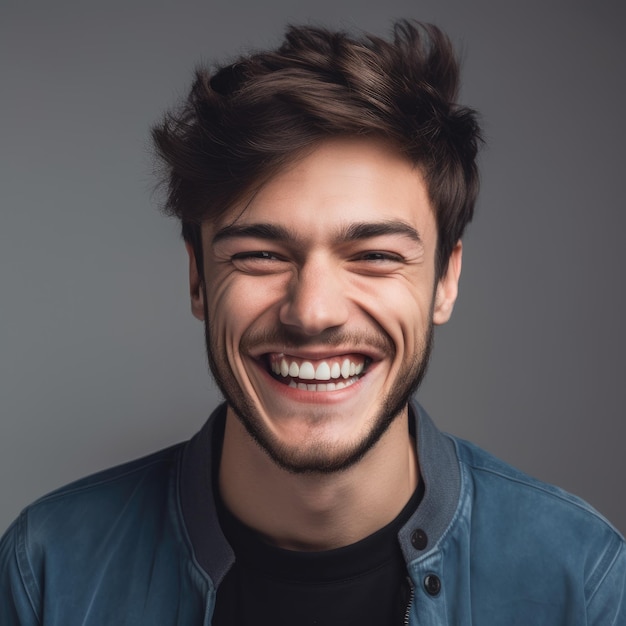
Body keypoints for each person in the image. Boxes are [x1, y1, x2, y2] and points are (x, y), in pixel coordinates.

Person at [1, 20, 624, 625]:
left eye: (375, 257)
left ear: (444, 280)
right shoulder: (47, 573)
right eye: (260, 256)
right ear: (198, 278)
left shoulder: (581, 578)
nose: (313, 312)